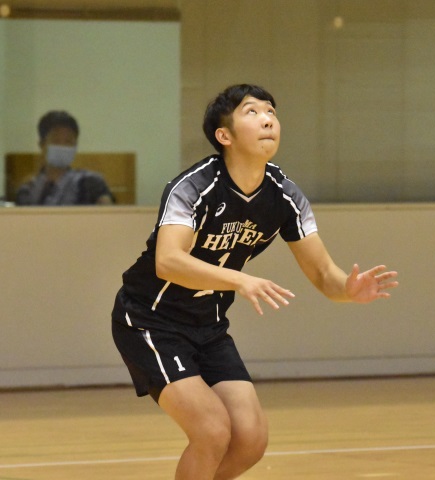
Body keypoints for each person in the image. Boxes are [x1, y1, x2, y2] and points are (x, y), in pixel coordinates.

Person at [111, 84, 399, 479]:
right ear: (224, 135)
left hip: (208, 327)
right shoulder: (193, 187)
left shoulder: (285, 196)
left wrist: (347, 290)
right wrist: (240, 281)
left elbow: (323, 274)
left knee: (250, 440)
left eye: (271, 112)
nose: (267, 120)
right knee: (212, 431)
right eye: (252, 112)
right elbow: (168, 261)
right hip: (150, 320)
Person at [15, 110, 114, 205]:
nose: (62, 146)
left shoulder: (92, 184)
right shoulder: (28, 190)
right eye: (56, 141)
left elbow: (109, 212)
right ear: (42, 144)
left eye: (68, 141)